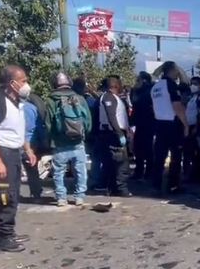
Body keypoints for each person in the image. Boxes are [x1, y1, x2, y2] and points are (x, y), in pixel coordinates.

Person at [0, 65, 35, 253]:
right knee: (5, 195)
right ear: (12, 83)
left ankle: (9, 232)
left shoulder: (16, 101)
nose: (27, 84)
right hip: (1, 153)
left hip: (13, 152)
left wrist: (27, 149)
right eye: (24, 81)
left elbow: (16, 129)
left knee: (13, 194)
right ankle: (4, 237)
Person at [45, 72, 92, 206]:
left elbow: (48, 123)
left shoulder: (51, 100)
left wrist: (52, 138)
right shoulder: (79, 98)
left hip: (60, 143)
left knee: (59, 172)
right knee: (80, 170)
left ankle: (61, 198)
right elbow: (88, 120)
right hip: (78, 142)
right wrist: (83, 134)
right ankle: (79, 197)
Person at [150, 61, 190, 195]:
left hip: (159, 123)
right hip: (172, 124)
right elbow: (177, 106)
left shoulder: (155, 87)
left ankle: (155, 184)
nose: (178, 73)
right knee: (176, 156)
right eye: (176, 70)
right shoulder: (171, 85)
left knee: (159, 157)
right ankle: (173, 185)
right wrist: (185, 124)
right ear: (171, 70)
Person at [99, 75, 132, 197]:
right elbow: (112, 117)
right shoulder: (109, 97)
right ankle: (121, 189)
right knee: (121, 164)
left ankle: (113, 188)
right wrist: (119, 134)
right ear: (115, 86)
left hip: (111, 133)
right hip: (113, 134)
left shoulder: (110, 97)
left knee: (112, 164)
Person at [21, 94, 49, 201]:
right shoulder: (32, 108)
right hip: (31, 142)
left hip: (14, 142)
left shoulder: (10, 106)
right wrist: (43, 140)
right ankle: (36, 193)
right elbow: (39, 127)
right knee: (32, 168)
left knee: (13, 169)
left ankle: (12, 195)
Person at [130, 72, 155, 181]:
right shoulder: (137, 91)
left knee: (148, 149)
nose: (136, 82)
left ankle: (149, 173)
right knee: (138, 148)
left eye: (138, 80)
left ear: (144, 80)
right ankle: (138, 171)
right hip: (139, 123)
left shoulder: (149, 91)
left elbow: (140, 103)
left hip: (148, 123)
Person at [183, 77, 200, 185]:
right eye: (192, 84)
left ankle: (197, 175)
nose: (193, 86)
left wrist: (197, 127)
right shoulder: (191, 97)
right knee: (189, 152)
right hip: (189, 126)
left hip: (196, 127)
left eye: (195, 84)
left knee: (197, 153)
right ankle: (190, 174)